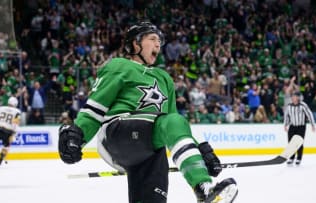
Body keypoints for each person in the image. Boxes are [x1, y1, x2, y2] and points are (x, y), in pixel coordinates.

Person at [58, 22, 238, 203]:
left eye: (159, 41)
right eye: (152, 39)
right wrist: (77, 137)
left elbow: (173, 125)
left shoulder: (164, 78)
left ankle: (204, 188)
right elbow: (95, 108)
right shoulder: (119, 66)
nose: (158, 44)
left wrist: (199, 154)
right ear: (136, 44)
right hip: (119, 134)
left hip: (148, 148)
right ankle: (204, 189)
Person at [284, 91, 316, 166]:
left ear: (298, 97)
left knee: (299, 142)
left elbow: (309, 114)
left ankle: (299, 158)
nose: (293, 98)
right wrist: (285, 125)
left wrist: (312, 125)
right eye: (292, 96)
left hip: (301, 126)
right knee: (291, 143)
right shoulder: (289, 106)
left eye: (294, 96)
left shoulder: (303, 105)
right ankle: (291, 157)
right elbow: (286, 116)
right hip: (292, 126)